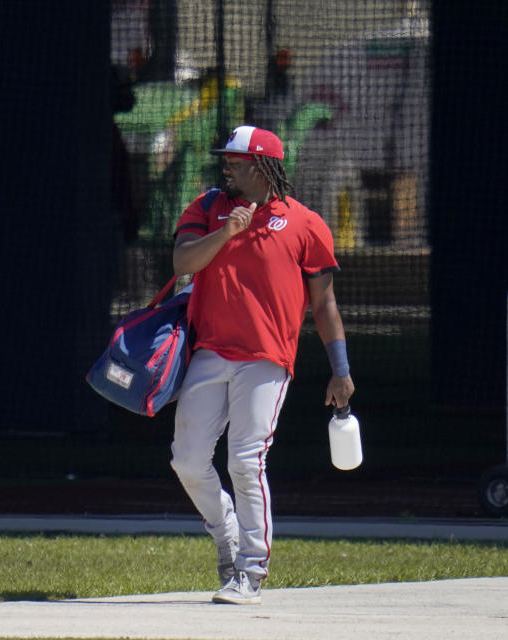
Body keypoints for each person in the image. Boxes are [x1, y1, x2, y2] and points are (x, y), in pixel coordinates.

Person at [170, 125, 355, 605]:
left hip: (267, 361)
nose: (225, 167)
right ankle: (226, 535)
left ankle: (250, 570)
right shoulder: (209, 207)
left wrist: (341, 368)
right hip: (210, 352)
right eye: (226, 160)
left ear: (261, 166)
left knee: (245, 460)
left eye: (234, 160)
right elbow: (182, 262)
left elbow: (325, 304)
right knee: (187, 460)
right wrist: (225, 231)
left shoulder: (305, 223)